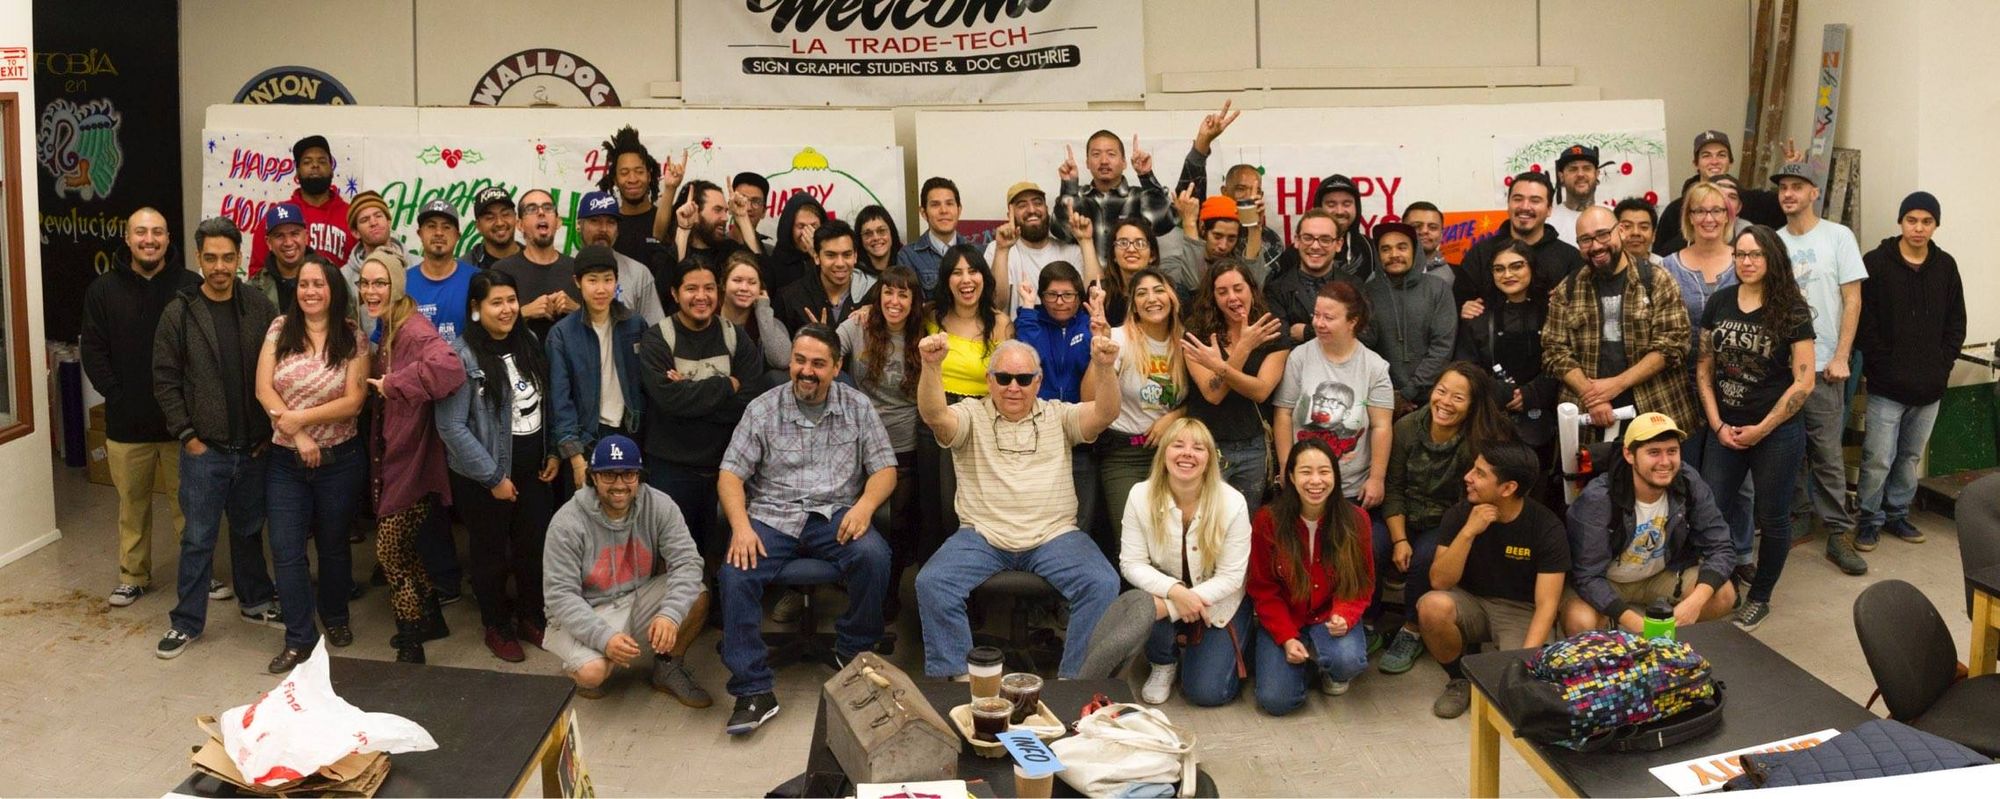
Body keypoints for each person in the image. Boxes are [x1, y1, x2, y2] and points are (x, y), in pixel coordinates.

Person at [717, 326, 898, 735]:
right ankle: (753, 689)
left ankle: (853, 653)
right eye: (800, 360)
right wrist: (741, 526)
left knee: (873, 555)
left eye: (818, 363)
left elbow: (885, 469)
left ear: (836, 367)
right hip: (771, 514)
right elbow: (730, 474)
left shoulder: (858, 406)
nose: (806, 371)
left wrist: (866, 506)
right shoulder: (763, 408)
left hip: (835, 514)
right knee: (735, 572)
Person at [913, 335, 1123, 679]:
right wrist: (932, 366)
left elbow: (1105, 412)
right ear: (988, 380)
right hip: (982, 536)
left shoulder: (1058, 414)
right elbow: (935, 414)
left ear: (1038, 382)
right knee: (932, 582)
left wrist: (1103, 366)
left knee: (1101, 582)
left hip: (1054, 536)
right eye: (1004, 378)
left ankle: (1076, 682)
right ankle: (958, 680)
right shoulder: (969, 413)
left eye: (1024, 379)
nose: (1014, 387)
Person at [151, 217, 282, 659]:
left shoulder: (259, 308)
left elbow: (279, 371)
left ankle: (255, 601)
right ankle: (186, 622)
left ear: (239, 258)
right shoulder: (180, 313)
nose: (220, 266)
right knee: (198, 537)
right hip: (204, 451)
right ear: (198, 259)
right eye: (211, 258)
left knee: (248, 531)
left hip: (253, 449)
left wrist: (267, 433)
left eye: (228, 257)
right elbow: (165, 379)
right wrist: (188, 436)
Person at [1696, 225, 1816, 632]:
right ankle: (1719, 583)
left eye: (1755, 255)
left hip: (1776, 433)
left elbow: (1804, 381)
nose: (1746, 262)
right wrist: (1717, 424)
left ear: (1772, 259)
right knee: (1712, 509)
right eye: (1740, 255)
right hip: (1725, 430)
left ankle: (1760, 595)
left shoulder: (1792, 310)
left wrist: (1762, 428)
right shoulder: (1720, 302)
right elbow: (1704, 368)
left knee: (1773, 516)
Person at [438, 270, 560, 663]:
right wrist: (493, 477)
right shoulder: (461, 355)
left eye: (511, 300)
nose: (507, 309)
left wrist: (553, 452)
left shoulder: (528, 341)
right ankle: (496, 625)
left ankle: (530, 616)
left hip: (534, 471)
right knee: (490, 556)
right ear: (476, 309)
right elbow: (451, 427)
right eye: (496, 302)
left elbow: (546, 403)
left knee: (532, 550)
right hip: (484, 478)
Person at [84, 208, 202, 608]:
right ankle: (133, 576)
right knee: (132, 508)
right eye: (140, 232)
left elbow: (204, 350)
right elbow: (93, 350)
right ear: (127, 237)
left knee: (190, 508)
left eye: (156, 232)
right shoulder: (103, 290)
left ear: (169, 238)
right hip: (126, 424)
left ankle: (198, 575)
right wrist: (118, 395)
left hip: (182, 426)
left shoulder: (190, 286)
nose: (149, 239)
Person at [257, 253, 369, 671]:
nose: (310, 291)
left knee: (334, 545)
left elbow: (354, 401)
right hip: (286, 461)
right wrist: (298, 434)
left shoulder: (353, 336)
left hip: (340, 460)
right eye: (303, 284)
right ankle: (299, 637)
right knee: (286, 550)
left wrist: (297, 417)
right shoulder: (279, 329)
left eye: (318, 284)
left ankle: (336, 617)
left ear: (333, 289)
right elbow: (263, 389)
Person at [357, 248, 468, 662]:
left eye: (379, 283)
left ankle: (410, 641)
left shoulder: (414, 329)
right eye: (365, 283)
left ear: (396, 286)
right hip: (398, 456)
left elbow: (451, 369)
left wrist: (394, 383)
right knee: (404, 548)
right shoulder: (389, 324)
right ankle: (432, 617)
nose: (371, 291)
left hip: (414, 460)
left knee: (389, 552)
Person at [541, 434, 711, 702]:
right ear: (593, 477)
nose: (619, 485)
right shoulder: (567, 522)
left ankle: (667, 667)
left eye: (628, 475)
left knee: (697, 595)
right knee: (593, 673)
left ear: (639, 477)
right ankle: (584, 662)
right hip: (588, 609)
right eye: (609, 475)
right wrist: (604, 638)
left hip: (635, 597)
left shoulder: (659, 505)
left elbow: (687, 562)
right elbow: (560, 596)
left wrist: (670, 614)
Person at [1375, 362, 1515, 675]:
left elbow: (1469, 502)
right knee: (1372, 544)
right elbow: (1393, 487)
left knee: (1426, 557)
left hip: (1446, 518)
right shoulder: (1408, 427)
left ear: (1473, 405)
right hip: (1402, 512)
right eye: (1441, 391)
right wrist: (1398, 538)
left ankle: (1412, 629)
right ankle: (1367, 622)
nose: (1445, 402)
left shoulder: (1478, 441)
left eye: (1458, 398)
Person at [1417, 441, 1570, 719]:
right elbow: (1439, 581)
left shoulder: (1546, 527)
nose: (1468, 477)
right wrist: (1468, 532)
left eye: (1480, 473)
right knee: (1431, 606)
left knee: (1516, 698)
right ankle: (1458, 678)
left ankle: (1505, 669)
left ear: (1508, 488)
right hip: (1470, 602)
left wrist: (1523, 669)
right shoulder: (1462, 514)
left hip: (1519, 611)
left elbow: (1547, 605)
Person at [1771, 163, 1870, 576]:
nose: (1789, 194)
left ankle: (1837, 532)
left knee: (1827, 453)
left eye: (1798, 187)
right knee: (1785, 451)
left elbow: (1852, 299)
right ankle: (1797, 515)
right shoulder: (1772, 242)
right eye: (1783, 188)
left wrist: (1842, 355)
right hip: (1782, 367)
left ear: (1815, 193)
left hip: (1826, 364)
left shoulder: (1838, 237)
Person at [1116, 418, 1253, 707]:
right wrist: (1177, 593)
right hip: (1164, 596)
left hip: (1219, 600)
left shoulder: (1233, 502)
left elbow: (1232, 577)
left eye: (1198, 448)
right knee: (1143, 604)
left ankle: (1217, 647)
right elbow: (1131, 563)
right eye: (1178, 445)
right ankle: (1163, 662)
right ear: (1164, 452)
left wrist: (1176, 605)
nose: (1187, 453)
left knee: (1206, 693)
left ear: (1209, 458)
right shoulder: (1139, 495)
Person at [1561, 412, 1737, 634]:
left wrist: (1694, 603)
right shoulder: (1599, 498)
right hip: (1607, 579)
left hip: (1658, 575)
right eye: (1653, 452)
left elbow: (1721, 546)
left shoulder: (1687, 480)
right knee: (1580, 621)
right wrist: (1637, 625)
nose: (1665, 462)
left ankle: (1671, 642)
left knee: (1724, 595)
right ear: (1629, 454)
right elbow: (1587, 577)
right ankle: (1620, 629)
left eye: (1672, 451)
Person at [1856, 192, 1963, 550]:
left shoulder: (1946, 266)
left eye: (1926, 221)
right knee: (1878, 458)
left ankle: (1897, 514)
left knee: (1909, 458)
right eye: (1912, 220)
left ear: (1936, 225)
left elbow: (1956, 323)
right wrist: (1880, 366)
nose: (1918, 228)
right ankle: (1868, 520)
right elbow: (1864, 323)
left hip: (1929, 387)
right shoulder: (1876, 262)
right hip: (1887, 387)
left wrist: (1942, 365)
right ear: (1900, 222)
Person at [636, 258, 761, 558]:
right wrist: (725, 386)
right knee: (674, 558)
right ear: (675, 294)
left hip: (726, 468)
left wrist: (688, 394)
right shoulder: (657, 338)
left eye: (708, 288)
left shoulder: (735, 337)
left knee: (726, 559)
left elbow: (750, 404)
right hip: (671, 468)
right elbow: (667, 401)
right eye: (691, 288)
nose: (701, 297)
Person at [1244, 438, 1374, 716]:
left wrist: (1344, 615)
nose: (1316, 481)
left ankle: (1323, 663)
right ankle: (1299, 660)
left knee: (1347, 662)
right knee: (1276, 702)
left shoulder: (1357, 519)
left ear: (1336, 477)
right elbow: (1263, 589)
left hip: (1329, 616)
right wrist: (1287, 637)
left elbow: (1360, 585)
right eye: (1305, 472)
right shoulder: (1268, 520)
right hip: (1286, 616)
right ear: (1290, 476)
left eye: (1324, 471)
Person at [1541, 207, 1695, 431]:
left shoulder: (1657, 280)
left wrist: (1616, 385)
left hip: (1653, 407)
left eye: (1603, 234)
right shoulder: (1569, 288)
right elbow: (1553, 349)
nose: (1596, 246)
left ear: (1620, 231)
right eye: (1585, 240)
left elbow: (1673, 345)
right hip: (1589, 415)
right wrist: (1592, 396)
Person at [837, 265, 927, 621]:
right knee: (864, 519)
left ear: (913, 301)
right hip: (858, 440)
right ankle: (861, 592)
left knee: (898, 524)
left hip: (904, 442)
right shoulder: (858, 326)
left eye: (903, 294)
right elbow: (825, 350)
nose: (894, 300)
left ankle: (889, 592)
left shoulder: (924, 332)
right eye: (887, 292)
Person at [915, 246, 1011, 556]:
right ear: (946, 280)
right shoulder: (930, 315)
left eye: (973, 271)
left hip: (980, 420)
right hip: (934, 414)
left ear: (984, 277)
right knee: (935, 504)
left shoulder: (1000, 324)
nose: (966, 280)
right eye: (957, 272)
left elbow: (1005, 380)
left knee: (974, 506)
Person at [1089, 268, 1189, 557]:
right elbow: (1089, 398)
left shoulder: (1185, 341)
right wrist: (1100, 352)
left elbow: (1204, 400)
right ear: (1133, 304)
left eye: (1158, 290)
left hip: (1174, 454)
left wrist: (1175, 416)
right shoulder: (1119, 338)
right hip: (1125, 456)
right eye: (1141, 293)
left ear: (1172, 297)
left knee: (1175, 540)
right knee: (1132, 542)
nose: (1151, 298)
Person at [1272, 281, 1394, 511]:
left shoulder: (1374, 367)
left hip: (1351, 488)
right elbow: (1283, 413)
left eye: (1328, 318)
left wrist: (1377, 478)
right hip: (1303, 482)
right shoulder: (1299, 357)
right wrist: (1285, 465)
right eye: (1316, 315)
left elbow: (1381, 426)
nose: (1318, 323)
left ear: (1352, 322)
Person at [1181, 258, 1287, 510]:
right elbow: (1212, 393)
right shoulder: (1196, 332)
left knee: (1242, 524)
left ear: (1252, 288)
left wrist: (1219, 366)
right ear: (1213, 297)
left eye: (1238, 288)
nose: (1232, 297)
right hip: (1206, 444)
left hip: (1253, 446)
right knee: (1204, 523)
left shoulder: (1272, 331)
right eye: (1222, 292)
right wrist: (1244, 348)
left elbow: (1261, 391)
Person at [1454, 241, 1560, 479]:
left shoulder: (1555, 311)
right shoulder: (1478, 315)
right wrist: (1500, 391)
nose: (1508, 274)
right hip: (1493, 423)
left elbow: (1566, 358)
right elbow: (1466, 368)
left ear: (1531, 268)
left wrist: (1534, 392)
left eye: (1516, 266)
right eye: (1499, 269)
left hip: (1545, 423)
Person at [548, 246, 647, 491]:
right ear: (577, 282)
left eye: (608, 280)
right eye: (592, 280)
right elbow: (561, 400)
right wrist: (575, 456)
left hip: (630, 431)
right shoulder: (562, 334)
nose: (601, 289)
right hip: (588, 438)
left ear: (616, 282)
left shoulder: (636, 324)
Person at [1012, 261, 1101, 533]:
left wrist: (1099, 326)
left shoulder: (1089, 324)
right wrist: (1027, 308)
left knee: (1081, 515)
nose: (1060, 302)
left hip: (1080, 427)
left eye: (1068, 295)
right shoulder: (1031, 321)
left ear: (1079, 296)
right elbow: (1027, 357)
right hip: (1040, 430)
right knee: (1038, 512)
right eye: (1051, 295)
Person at [1661, 182, 1739, 472]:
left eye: (1717, 210)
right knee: (1686, 470)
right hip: (1681, 386)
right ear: (1689, 217)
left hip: (1736, 385)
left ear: (1728, 215)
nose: (1709, 218)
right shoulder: (1667, 267)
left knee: (1737, 483)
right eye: (1700, 211)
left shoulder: (1744, 262)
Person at [1360, 222, 1456, 413]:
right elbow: (1363, 348)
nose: (1394, 254)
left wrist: (1407, 393)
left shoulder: (1437, 288)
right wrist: (1389, 395)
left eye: (1402, 247)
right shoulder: (1367, 292)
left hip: (1433, 399)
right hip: (1379, 399)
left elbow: (1442, 347)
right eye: (1385, 249)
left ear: (1415, 250)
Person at [1453, 171, 1583, 310]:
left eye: (1535, 200)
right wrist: (1463, 308)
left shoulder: (1570, 258)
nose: (1525, 207)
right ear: (1508, 204)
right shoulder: (1480, 254)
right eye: (1518, 199)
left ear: (1549, 209)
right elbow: (1458, 304)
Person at [1056, 130, 1185, 261]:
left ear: (1124, 162)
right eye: (1096, 154)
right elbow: (1061, 232)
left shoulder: (1140, 196)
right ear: (1087, 163)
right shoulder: (1077, 196)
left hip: (1132, 279)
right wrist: (1069, 185)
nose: (1104, 161)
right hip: (1087, 279)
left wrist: (1146, 175)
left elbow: (1163, 224)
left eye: (1111, 154)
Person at [1654, 130, 1786, 256]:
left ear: (1731, 162)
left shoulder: (1754, 202)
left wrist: (1791, 175)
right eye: (1706, 156)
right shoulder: (1676, 209)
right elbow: (1659, 258)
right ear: (1695, 163)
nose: (1714, 161)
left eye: (1721, 155)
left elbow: (1791, 211)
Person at [248, 135, 350, 274]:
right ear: (297, 171)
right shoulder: (278, 215)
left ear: (332, 169)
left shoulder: (350, 215)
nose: (315, 165)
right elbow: (258, 270)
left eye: (322, 161)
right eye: (307, 162)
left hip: (338, 294)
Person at [987, 181, 1091, 315]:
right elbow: (996, 304)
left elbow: (1092, 296)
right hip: (1018, 333)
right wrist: (1002, 250)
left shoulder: (1070, 251)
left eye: (1037, 203)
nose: (1031, 210)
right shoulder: (998, 249)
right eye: (1022, 205)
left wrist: (1086, 241)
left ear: (1047, 209)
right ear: (1010, 215)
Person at [493, 189, 580, 343]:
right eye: (532, 209)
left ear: (558, 221)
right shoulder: (502, 271)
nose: (541, 213)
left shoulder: (577, 268)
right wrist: (524, 313)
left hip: (570, 365)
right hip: (522, 363)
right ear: (520, 225)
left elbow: (600, 323)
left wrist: (576, 310)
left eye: (547, 208)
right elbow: (489, 325)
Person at [598, 125, 682, 276]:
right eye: (624, 173)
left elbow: (659, 237)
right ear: (615, 180)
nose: (632, 179)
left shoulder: (668, 219)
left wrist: (670, 189)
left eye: (639, 172)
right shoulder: (609, 225)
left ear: (649, 176)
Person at [574, 191, 668, 325]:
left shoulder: (638, 273)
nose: (603, 229)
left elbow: (656, 331)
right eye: (595, 221)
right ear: (579, 225)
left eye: (611, 222)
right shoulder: (566, 268)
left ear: (617, 230)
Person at [1265, 210, 1354, 343]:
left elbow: (1367, 336)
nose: (1315, 246)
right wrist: (1340, 332)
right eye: (1308, 238)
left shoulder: (1354, 286)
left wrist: (1308, 332)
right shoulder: (1275, 291)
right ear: (1296, 240)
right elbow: (1278, 343)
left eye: (1325, 240)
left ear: (1338, 244)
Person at [404, 199, 478, 343]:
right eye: (431, 226)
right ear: (420, 234)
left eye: (446, 227)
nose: (439, 233)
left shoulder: (478, 279)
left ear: (458, 235)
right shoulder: (402, 283)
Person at [774, 219, 864, 335]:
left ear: (855, 256)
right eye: (831, 255)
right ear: (816, 257)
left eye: (847, 255)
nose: (840, 263)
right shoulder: (790, 299)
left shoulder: (870, 295)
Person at [715, 250, 794, 375]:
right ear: (724, 284)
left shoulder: (768, 322)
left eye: (752, 283)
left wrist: (763, 310)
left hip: (755, 390)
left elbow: (783, 361)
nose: (744, 288)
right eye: (737, 280)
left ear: (760, 289)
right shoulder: (707, 317)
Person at [342, 190, 399, 338]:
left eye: (378, 216)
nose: (373, 222)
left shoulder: (416, 265)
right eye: (365, 220)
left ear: (389, 221)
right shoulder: (344, 276)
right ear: (355, 232)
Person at [896, 177, 966, 291]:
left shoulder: (976, 252)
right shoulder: (908, 256)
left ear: (959, 210)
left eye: (949, 203)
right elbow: (912, 304)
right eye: (935, 205)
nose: (944, 210)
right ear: (923, 213)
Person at [1095, 217, 1160, 328]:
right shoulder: (1101, 294)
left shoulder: (1169, 292)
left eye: (1140, 243)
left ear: (1152, 255)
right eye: (1123, 243)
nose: (1131, 249)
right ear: (1114, 255)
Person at [249, 203, 311, 314]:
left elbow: (349, 325)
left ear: (306, 236)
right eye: (279, 236)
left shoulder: (329, 277)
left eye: (294, 234)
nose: (288, 242)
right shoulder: (254, 289)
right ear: (269, 242)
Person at [764, 192, 828, 298]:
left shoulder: (832, 259)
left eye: (814, 226)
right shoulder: (775, 263)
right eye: (801, 226)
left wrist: (816, 253)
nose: (807, 232)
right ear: (790, 228)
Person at [671, 179, 749, 266]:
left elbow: (764, 272)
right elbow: (672, 277)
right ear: (695, 212)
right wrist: (683, 231)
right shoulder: (664, 253)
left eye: (725, 211)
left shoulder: (730, 251)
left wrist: (743, 218)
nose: (725, 218)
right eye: (717, 210)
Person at [1547, 144, 1604, 247]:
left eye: (1587, 168)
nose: (1580, 174)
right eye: (1573, 169)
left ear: (1596, 174)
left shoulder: (1613, 215)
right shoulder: (1548, 221)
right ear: (1561, 177)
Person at [468, 186, 522, 269]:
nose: (499, 223)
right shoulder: (466, 267)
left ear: (515, 218)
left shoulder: (534, 259)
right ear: (478, 225)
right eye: (490, 217)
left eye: (505, 214)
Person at [853, 204, 904, 287]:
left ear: (892, 232)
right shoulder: (855, 277)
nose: (876, 238)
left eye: (881, 231)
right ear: (860, 239)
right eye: (868, 233)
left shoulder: (907, 266)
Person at [1404, 201, 1452, 287]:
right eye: (1416, 226)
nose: (1424, 231)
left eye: (1433, 227)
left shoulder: (1456, 275)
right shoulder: (1382, 275)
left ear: (1441, 234)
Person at [1614, 197, 1665, 268]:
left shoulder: (1665, 266)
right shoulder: (1607, 266)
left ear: (1654, 235)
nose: (1635, 232)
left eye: (1644, 227)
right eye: (1627, 226)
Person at [730, 171, 774, 252]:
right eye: (742, 200)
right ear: (730, 205)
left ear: (763, 211)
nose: (748, 208)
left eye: (756, 201)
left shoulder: (770, 254)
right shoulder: (715, 246)